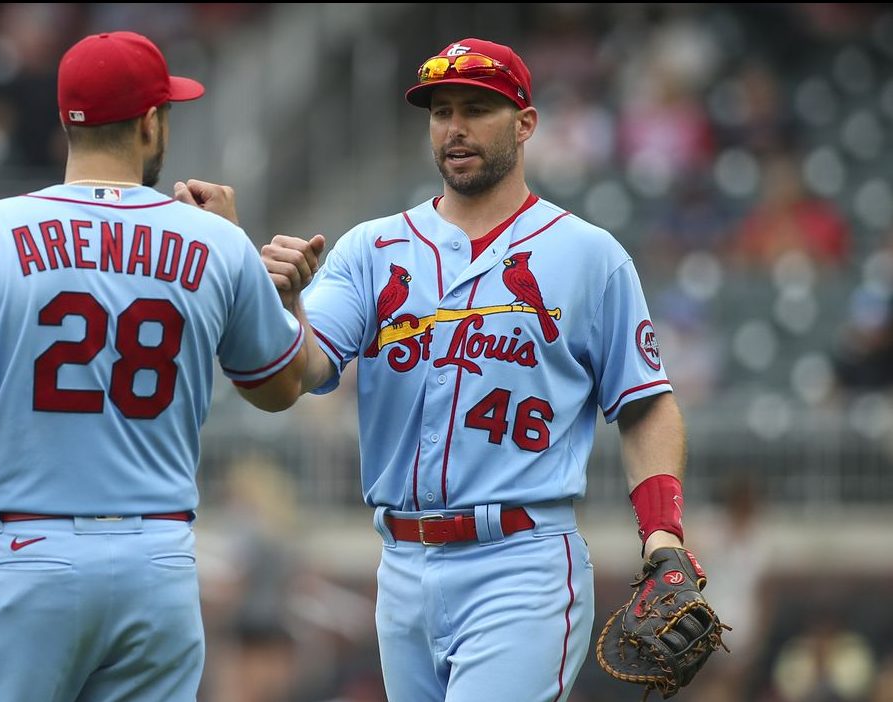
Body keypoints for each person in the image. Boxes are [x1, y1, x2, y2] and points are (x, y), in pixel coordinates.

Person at [257, 38, 709, 701]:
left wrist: (660, 532)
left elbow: (643, 400)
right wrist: (285, 304)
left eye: (475, 108)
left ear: (524, 123)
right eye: (440, 112)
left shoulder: (587, 255)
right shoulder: (371, 249)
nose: (454, 128)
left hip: (519, 561)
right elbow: (301, 369)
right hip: (401, 563)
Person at [0, 31, 308, 702]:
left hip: (27, 557)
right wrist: (268, 284)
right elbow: (278, 387)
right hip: (158, 562)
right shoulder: (217, 241)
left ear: (64, 120)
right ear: (150, 122)